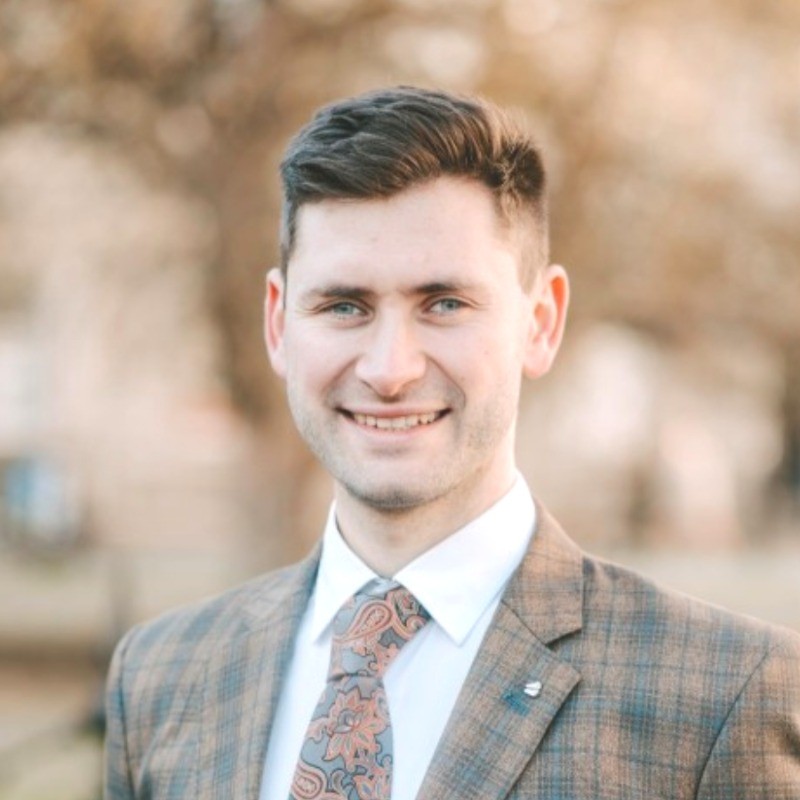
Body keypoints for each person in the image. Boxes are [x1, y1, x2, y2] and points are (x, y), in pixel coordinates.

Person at [104, 86, 800, 800]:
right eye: (343, 306)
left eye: (444, 304)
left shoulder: (726, 697)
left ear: (541, 321)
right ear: (279, 324)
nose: (389, 370)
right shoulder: (159, 678)